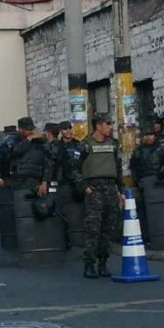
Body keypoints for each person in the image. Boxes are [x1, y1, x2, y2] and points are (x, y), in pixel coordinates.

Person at [72, 113, 123, 279]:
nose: (110, 127)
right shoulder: (85, 146)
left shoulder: (113, 144)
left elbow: (118, 169)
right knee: (93, 228)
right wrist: (84, 187)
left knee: (108, 229)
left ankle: (103, 263)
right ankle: (89, 264)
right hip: (94, 189)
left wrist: (120, 191)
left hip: (110, 188)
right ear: (98, 126)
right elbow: (73, 169)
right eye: (107, 124)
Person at [130, 126, 164, 243]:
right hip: (144, 185)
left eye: (151, 134)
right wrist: (137, 181)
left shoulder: (161, 149)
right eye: (146, 135)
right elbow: (133, 167)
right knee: (144, 212)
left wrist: (162, 173)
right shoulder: (138, 151)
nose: (148, 137)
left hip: (160, 184)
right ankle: (147, 237)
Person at [1, 117, 52, 196]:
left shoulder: (39, 142)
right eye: (28, 129)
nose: (31, 131)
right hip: (19, 182)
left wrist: (44, 182)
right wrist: (29, 139)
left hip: (36, 182)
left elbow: (48, 163)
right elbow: (15, 151)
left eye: (32, 129)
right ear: (20, 129)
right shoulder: (13, 140)